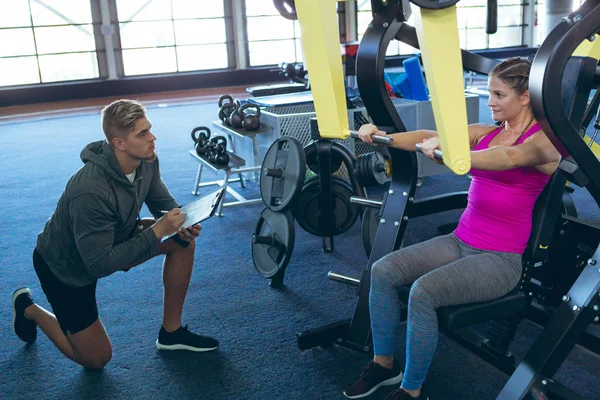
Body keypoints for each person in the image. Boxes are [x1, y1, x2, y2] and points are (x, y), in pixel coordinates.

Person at [344, 57, 562, 399]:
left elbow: (509, 159)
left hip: (499, 260)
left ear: (524, 97)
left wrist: (454, 155)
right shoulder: (487, 133)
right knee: (383, 271)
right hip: (460, 241)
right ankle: (384, 366)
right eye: (490, 93)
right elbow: (430, 136)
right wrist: (383, 137)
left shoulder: (546, 143)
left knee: (423, 293)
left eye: (498, 94)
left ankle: (411, 392)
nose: (489, 101)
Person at [12, 99, 218, 369]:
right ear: (119, 143)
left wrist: (183, 221)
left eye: (149, 129)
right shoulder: (90, 190)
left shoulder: (146, 161)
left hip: (115, 236)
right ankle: (29, 308)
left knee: (182, 242)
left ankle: (171, 333)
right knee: (96, 360)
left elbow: (163, 205)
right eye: (142, 134)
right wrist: (158, 230)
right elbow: (98, 264)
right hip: (67, 267)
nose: (152, 137)